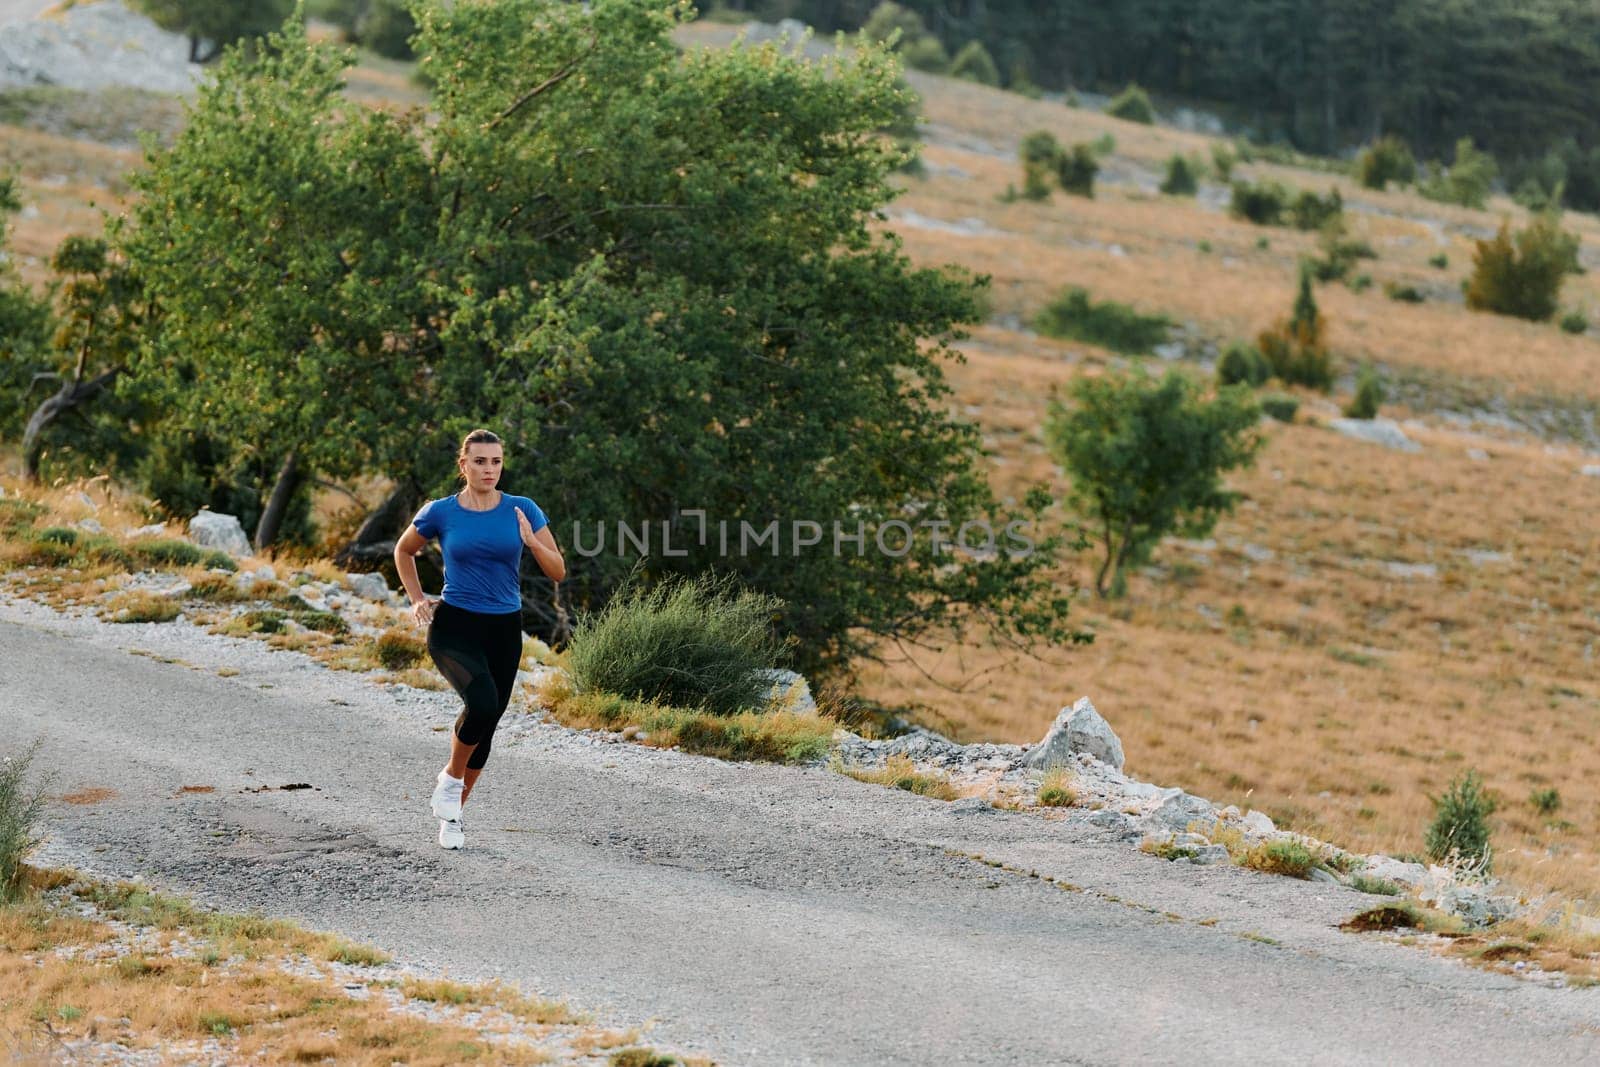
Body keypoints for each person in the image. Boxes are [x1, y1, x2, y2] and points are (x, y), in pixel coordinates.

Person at [394, 428, 566, 849]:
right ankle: (451, 782)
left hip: (504, 627)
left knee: (486, 727)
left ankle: (452, 818)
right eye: (480, 461)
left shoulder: (522, 509)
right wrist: (417, 599)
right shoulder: (440, 511)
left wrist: (531, 542)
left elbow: (558, 570)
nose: (489, 469)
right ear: (464, 465)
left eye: (496, 462)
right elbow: (403, 550)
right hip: (455, 625)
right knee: (483, 702)